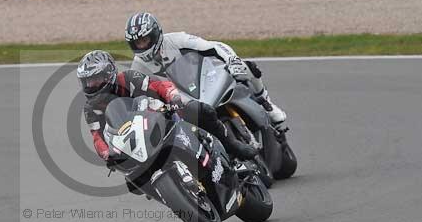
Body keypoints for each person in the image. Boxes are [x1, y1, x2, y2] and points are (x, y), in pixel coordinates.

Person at [77, 50, 257, 164]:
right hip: (135, 139)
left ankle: (232, 145)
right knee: (131, 179)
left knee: (202, 110)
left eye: (95, 79)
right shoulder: (91, 108)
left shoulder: (129, 79)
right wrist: (107, 154)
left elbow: (159, 86)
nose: (91, 85)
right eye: (87, 81)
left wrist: (174, 97)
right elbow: (97, 137)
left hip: (161, 115)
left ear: (109, 74)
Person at [125, 12, 287, 131]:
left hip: (204, 78)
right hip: (183, 102)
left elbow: (213, 46)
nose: (141, 46)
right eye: (137, 43)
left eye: (144, 40)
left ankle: (266, 103)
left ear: (155, 35)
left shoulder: (177, 40)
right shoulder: (138, 66)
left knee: (247, 67)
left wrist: (232, 60)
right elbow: (138, 98)